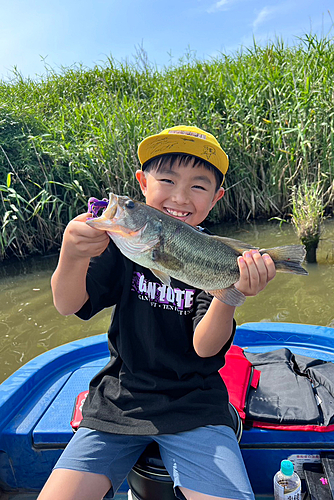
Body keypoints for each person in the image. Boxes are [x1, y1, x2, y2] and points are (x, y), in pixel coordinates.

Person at [39, 125, 276, 500]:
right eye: (166, 179)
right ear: (143, 184)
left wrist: (231, 294)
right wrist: (72, 252)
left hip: (195, 405)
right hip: (119, 397)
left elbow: (205, 347)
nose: (180, 196)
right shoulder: (120, 245)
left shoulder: (207, 252)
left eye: (198, 186)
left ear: (216, 198)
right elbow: (67, 304)